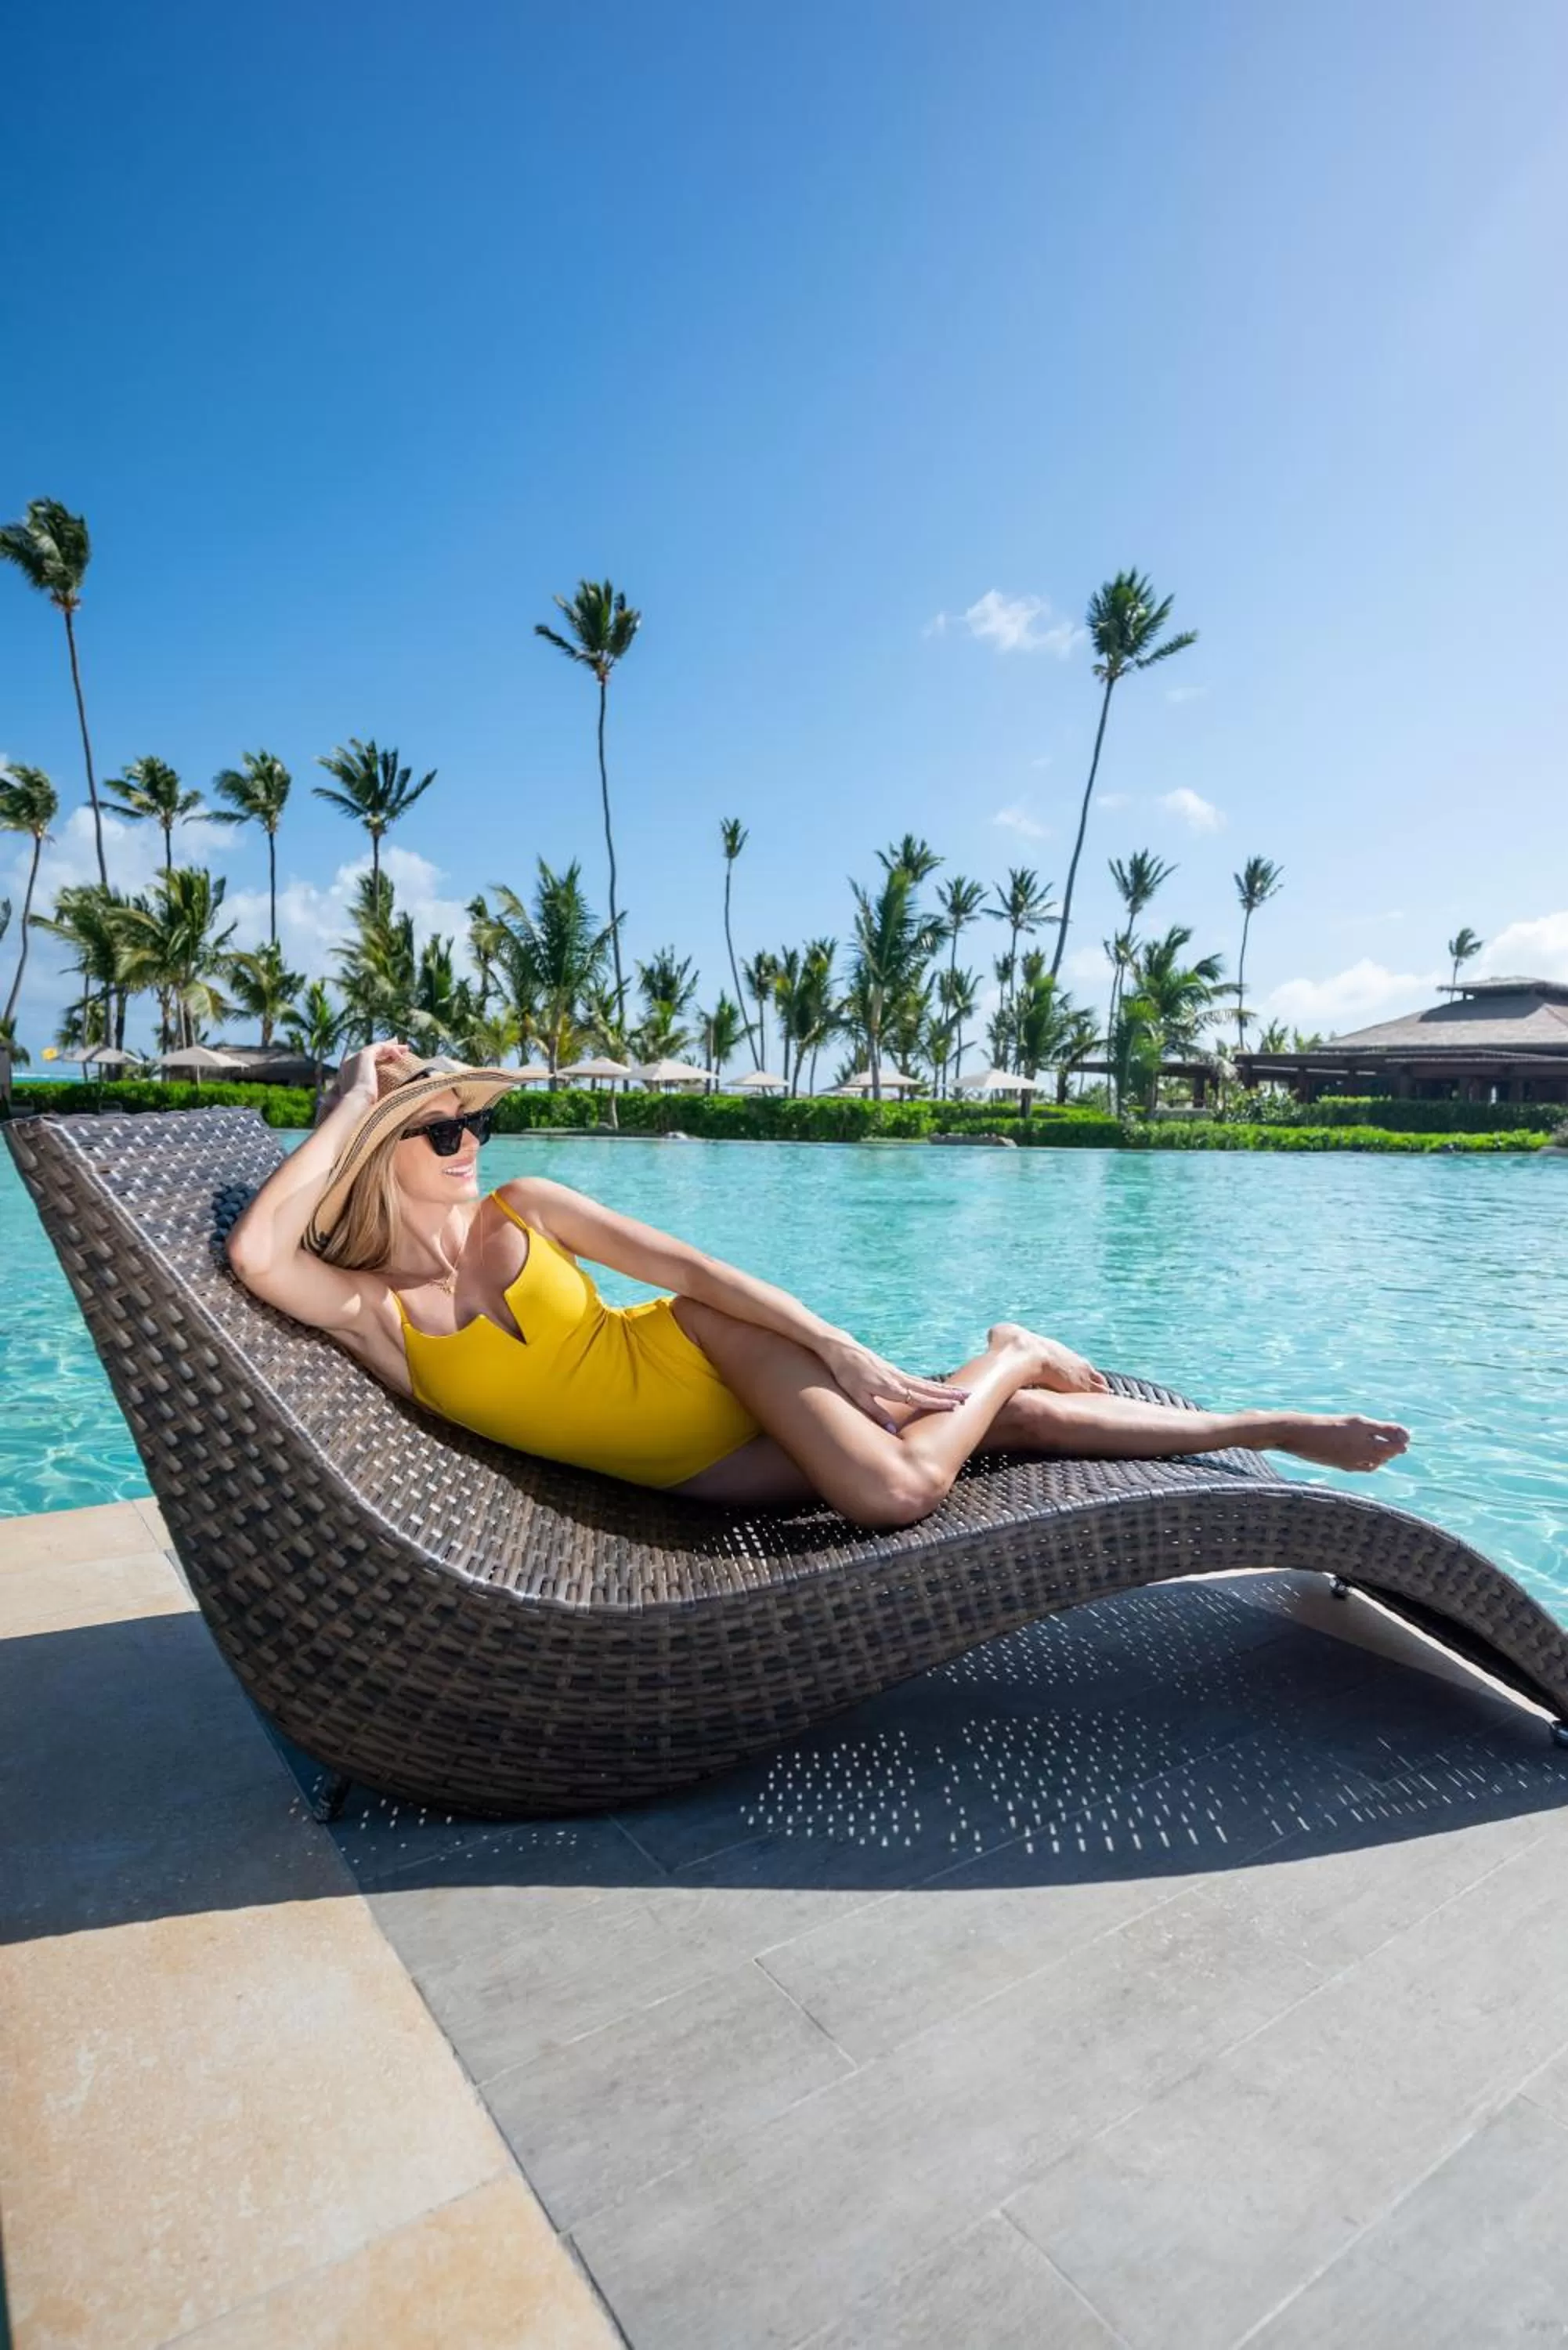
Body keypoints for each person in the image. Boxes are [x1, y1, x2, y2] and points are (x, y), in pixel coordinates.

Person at [227, 1041, 1411, 1527]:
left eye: (478, 1118)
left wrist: (835, 1343)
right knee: (1010, 1431)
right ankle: (1012, 1359)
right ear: (380, 1151)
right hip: (699, 1465)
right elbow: (259, 1258)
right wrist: (343, 1111)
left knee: (895, 1488)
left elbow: (697, 1271)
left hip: (708, 1347)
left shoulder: (523, 1207)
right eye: (441, 1131)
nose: (472, 1140)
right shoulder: (372, 1315)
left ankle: (1252, 1420)